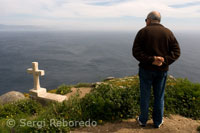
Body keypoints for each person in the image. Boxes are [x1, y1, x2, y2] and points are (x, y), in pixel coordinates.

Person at [132, 11, 181, 128]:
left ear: (149, 19)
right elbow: (177, 52)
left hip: (146, 70)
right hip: (162, 70)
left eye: (145, 20)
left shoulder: (142, 32)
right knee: (159, 96)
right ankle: (157, 122)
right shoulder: (168, 33)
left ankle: (143, 120)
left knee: (145, 95)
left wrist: (151, 59)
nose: (145, 22)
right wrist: (163, 60)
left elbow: (136, 52)